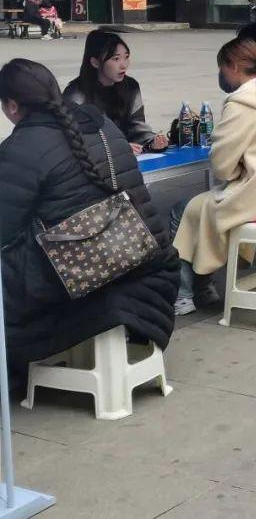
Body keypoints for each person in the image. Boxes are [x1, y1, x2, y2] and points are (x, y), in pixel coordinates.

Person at [0, 59, 178, 393]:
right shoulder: (101, 123)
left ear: (12, 105)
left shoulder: (22, 146)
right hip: (149, 263)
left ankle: (11, 370)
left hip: (82, 277)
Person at [171, 38, 256, 315]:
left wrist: (238, 171)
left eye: (221, 68)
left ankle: (184, 294)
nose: (221, 75)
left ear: (232, 66)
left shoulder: (241, 103)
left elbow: (222, 167)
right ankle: (203, 288)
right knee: (201, 209)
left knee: (183, 210)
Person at [63, 30, 169, 155]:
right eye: (116, 59)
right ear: (95, 62)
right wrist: (117, 147)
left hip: (129, 155)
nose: (123, 65)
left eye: (126, 57)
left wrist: (152, 142)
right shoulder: (75, 94)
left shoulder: (131, 87)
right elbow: (72, 139)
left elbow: (137, 127)